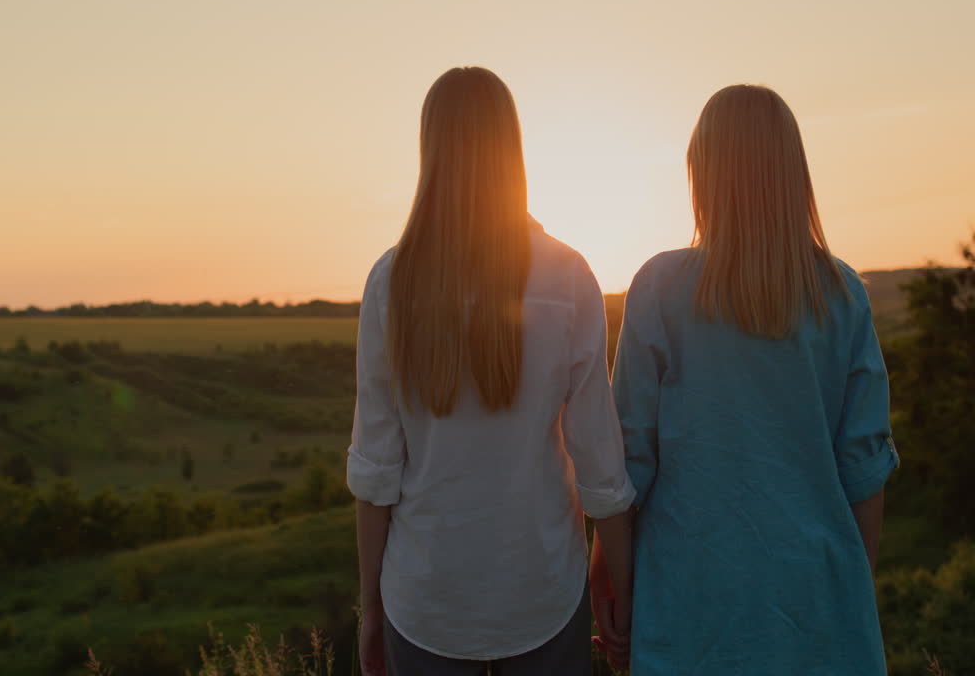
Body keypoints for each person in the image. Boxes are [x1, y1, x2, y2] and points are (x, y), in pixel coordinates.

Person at [591, 84, 898, 675]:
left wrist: (609, 581)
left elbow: (627, 467)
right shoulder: (843, 294)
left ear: (702, 174)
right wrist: (848, 600)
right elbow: (864, 473)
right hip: (819, 615)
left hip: (690, 614)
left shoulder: (660, 289)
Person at [346, 66, 636, 676]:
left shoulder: (391, 282)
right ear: (512, 147)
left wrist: (370, 608)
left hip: (424, 601)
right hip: (543, 593)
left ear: (430, 150)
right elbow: (601, 465)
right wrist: (625, 596)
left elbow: (376, 471)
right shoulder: (568, 276)